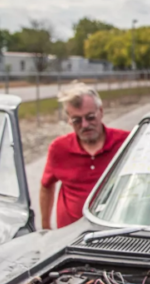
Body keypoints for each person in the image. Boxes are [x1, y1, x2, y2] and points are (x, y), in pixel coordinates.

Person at [40, 81, 128, 229]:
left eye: (90, 117)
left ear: (101, 111)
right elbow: (46, 186)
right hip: (69, 237)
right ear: (68, 120)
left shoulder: (126, 142)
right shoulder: (59, 148)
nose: (85, 125)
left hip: (113, 231)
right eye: (77, 120)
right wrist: (45, 229)